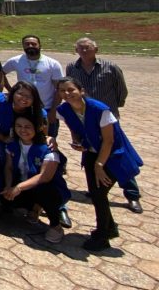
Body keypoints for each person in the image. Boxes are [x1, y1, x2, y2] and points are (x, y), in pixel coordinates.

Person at [56, 77, 143, 251]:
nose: (67, 94)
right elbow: (73, 126)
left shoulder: (100, 110)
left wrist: (100, 165)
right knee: (97, 194)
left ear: (81, 91)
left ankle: (103, 235)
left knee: (99, 193)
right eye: (62, 91)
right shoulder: (64, 109)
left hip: (112, 157)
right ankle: (108, 228)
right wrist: (77, 140)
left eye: (71, 89)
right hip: (91, 154)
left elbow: (109, 141)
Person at [65, 37, 140, 213]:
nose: (84, 50)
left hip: (107, 118)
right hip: (85, 119)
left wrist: (111, 109)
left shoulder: (110, 67)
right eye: (80, 48)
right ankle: (96, 188)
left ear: (96, 49)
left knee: (116, 157)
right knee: (90, 155)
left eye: (88, 47)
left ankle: (132, 195)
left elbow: (122, 91)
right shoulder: (72, 68)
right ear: (76, 50)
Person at [0, 116, 69, 244]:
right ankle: (33, 209)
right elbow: (8, 167)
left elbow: (44, 177)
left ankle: (55, 226)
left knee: (44, 190)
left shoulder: (48, 148)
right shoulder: (13, 144)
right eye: (19, 126)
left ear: (38, 128)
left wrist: (18, 188)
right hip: (25, 185)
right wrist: (8, 186)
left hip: (49, 189)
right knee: (4, 197)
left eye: (27, 127)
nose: (23, 130)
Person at [2, 35, 63, 135]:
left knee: (48, 138)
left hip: (46, 108)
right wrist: (11, 90)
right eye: (27, 44)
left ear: (40, 45)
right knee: (23, 136)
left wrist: (53, 111)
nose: (30, 46)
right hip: (23, 108)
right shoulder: (15, 61)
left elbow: (59, 89)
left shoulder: (53, 64)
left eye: (34, 44)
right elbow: (1, 73)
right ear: (23, 46)